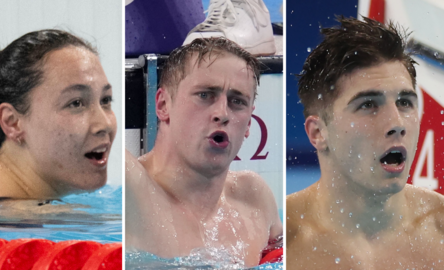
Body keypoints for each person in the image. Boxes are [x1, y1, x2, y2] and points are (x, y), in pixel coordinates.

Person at [287, 16, 444, 269]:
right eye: (369, 104)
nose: (397, 123)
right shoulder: (285, 238)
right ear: (318, 132)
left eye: (404, 102)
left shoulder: (441, 229)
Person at [125, 37, 282, 267]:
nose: (222, 113)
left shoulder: (255, 199)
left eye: (237, 101)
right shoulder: (133, 192)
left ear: (249, 123)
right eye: (205, 95)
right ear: (163, 105)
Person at [0, 29, 117, 204]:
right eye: (76, 103)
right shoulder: (35, 226)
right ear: (12, 122)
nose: (104, 124)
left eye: (105, 100)